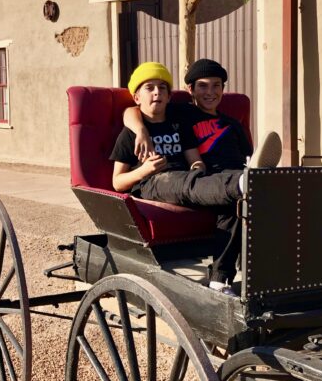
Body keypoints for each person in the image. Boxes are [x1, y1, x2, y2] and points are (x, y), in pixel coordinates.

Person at [119, 59, 281, 294]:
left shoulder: (232, 124)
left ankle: (221, 280)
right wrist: (141, 131)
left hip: (222, 175)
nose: (210, 92)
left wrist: (198, 165)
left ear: (223, 89)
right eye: (203, 86)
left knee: (239, 202)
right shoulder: (180, 114)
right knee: (226, 188)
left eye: (216, 86)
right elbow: (133, 111)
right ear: (190, 90)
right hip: (197, 178)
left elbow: (206, 158)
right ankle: (247, 181)